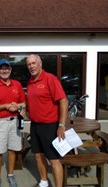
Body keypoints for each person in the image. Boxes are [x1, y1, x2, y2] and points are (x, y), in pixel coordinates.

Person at [26, 54, 68, 187]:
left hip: (49, 125)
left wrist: (61, 124)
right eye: (29, 64)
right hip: (35, 125)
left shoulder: (50, 79)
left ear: (40, 64)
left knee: (54, 159)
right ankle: (44, 182)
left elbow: (63, 101)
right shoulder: (30, 81)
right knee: (38, 156)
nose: (31, 66)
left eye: (33, 63)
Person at [0, 58, 26, 187]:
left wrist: (19, 108)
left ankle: (10, 175)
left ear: (10, 70)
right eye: (2, 68)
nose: (4, 70)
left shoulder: (17, 85)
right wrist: (6, 106)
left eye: (7, 68)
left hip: (15, 122)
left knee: (12, 150)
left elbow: (23, 104)